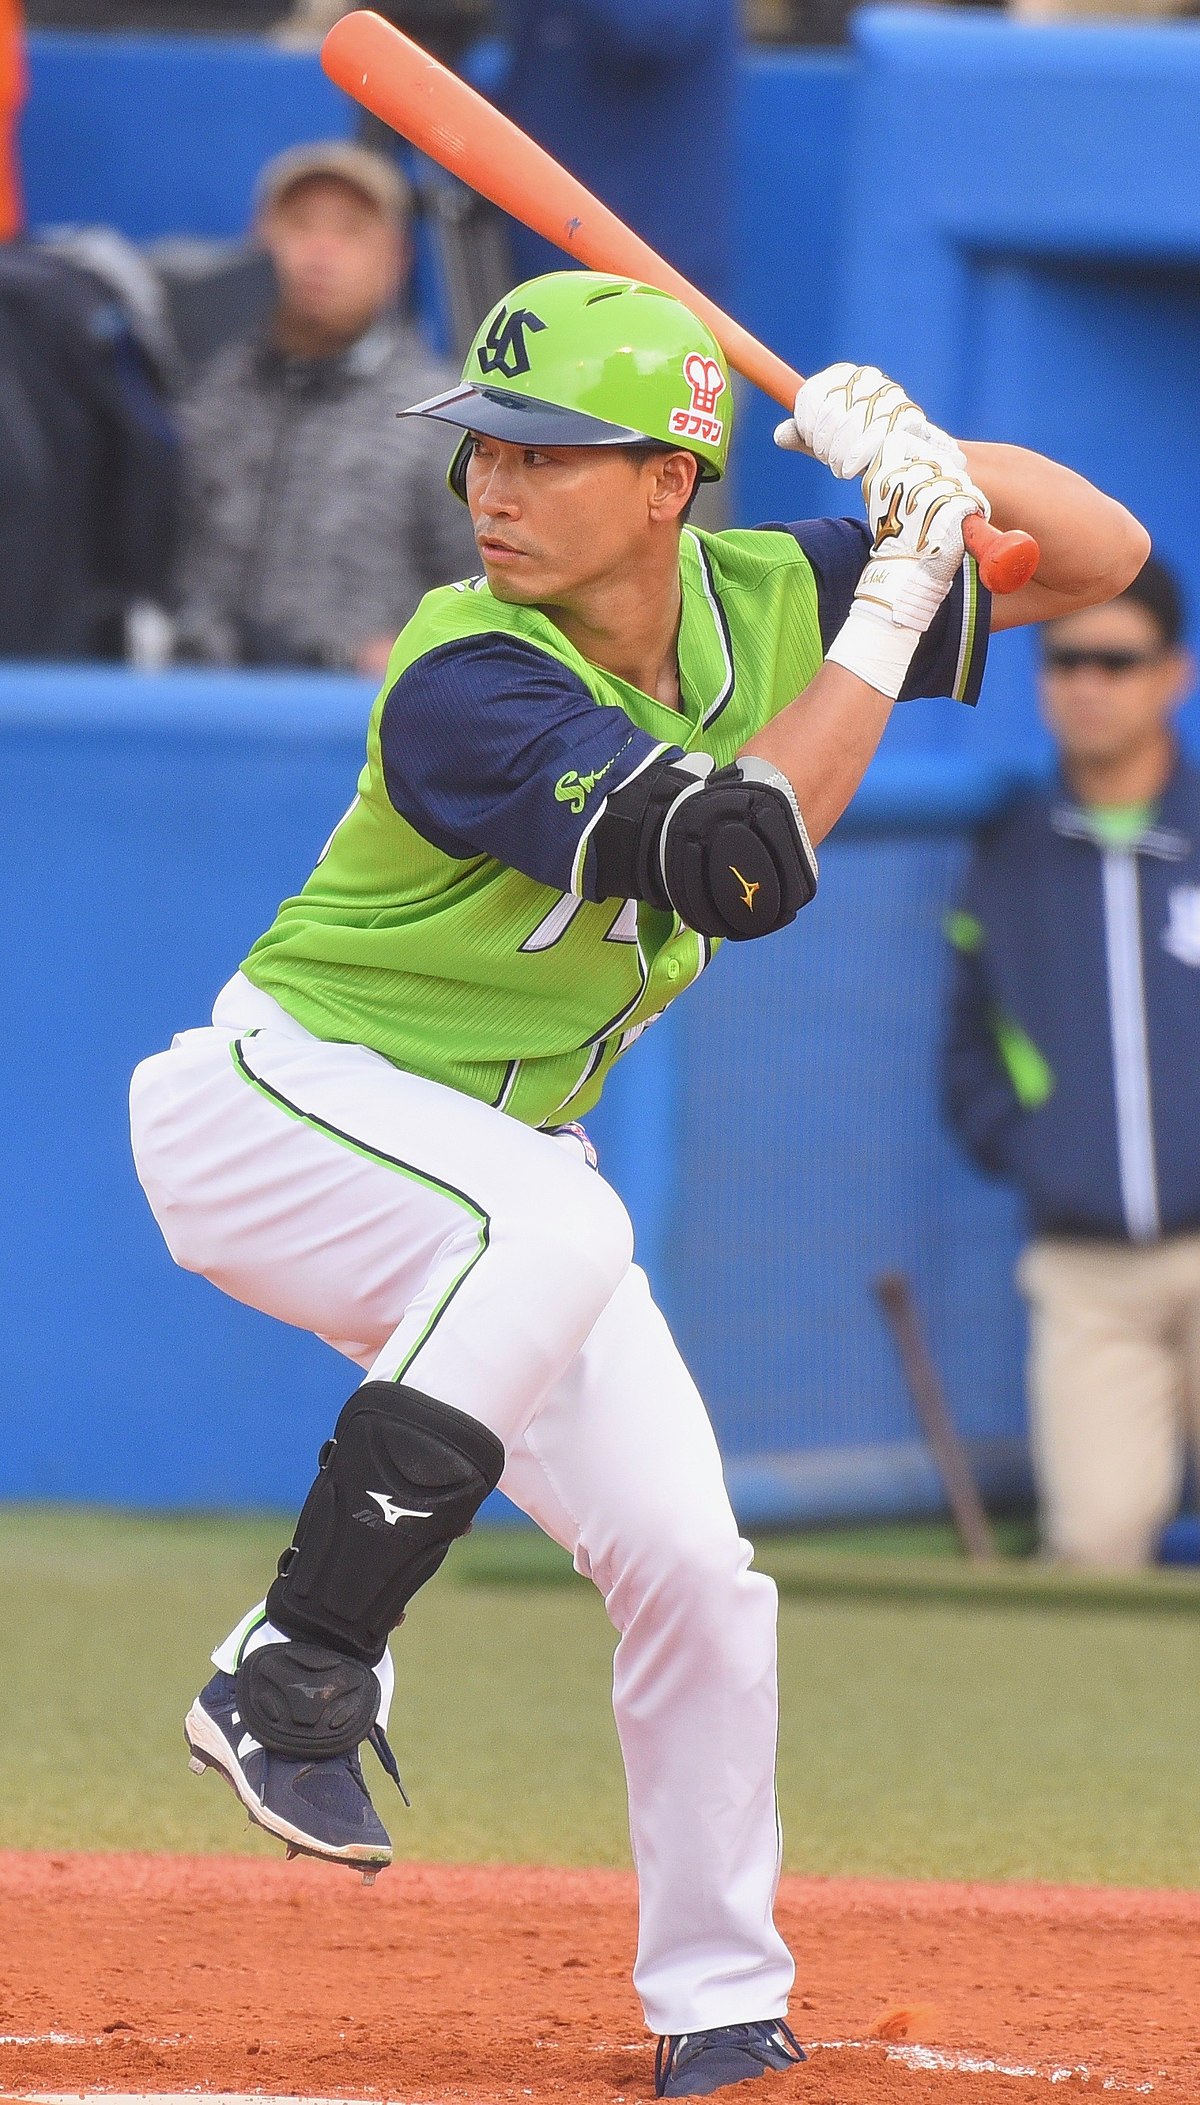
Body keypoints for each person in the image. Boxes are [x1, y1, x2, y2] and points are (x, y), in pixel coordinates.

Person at [129, 273, 1145, 2097]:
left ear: (672, 481)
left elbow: (1104, 546)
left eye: (549, 452)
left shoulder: (768, 587)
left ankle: (719, 2008)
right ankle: (293, 1663)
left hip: (488, 1174)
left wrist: (913, 452)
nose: (495, 489)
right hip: (285, 1109)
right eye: (485, 452)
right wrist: (904, 580)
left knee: (692, 1564)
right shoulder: (468, 674)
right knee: (559, 1221)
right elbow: (743, 867)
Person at [942, 556, 1200, 1571]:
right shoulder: (1008, 851)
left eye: (1116, 660)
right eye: (1064, 660)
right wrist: (1039, 1150)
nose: (1087, 683)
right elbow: (966, 1057)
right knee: (1093, 1543)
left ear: (1171, 673)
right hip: (1085, 1263)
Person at [172, 141, 476, 676]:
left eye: (351, 230)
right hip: (190, 711)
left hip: (359, 728)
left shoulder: (441, 418)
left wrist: (416, 656)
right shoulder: (199, 395)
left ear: (397, 261)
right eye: (298, 224)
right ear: (258, 244)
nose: (320, 251)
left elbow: (488, 594)